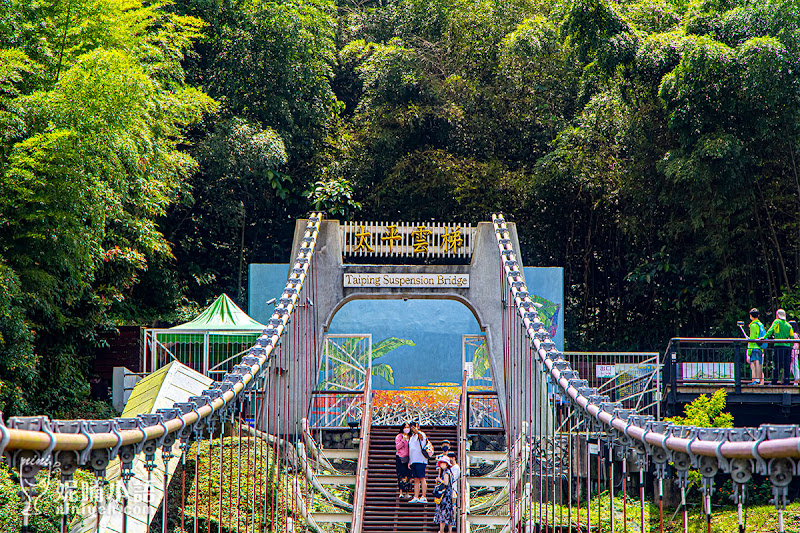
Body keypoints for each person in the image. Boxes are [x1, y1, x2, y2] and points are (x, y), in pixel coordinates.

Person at [763, 309, 795, 385]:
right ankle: (786, 381)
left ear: (777, 315)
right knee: (786, 365)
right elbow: (792, 337)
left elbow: (770, 330)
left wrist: (764, 337)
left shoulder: (777, 322)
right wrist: (790, 346)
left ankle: (774, 381)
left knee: (777, 364)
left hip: (778, 346)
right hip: (787, 347)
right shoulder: (788, 325)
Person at [408, 421, 431, 503]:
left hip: (420, 460)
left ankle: (424, 496)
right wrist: (409, 461)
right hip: (413, 460)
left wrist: (417, 431)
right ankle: (416, 496)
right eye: (412, 426)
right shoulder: (411, 437)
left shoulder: (421, 434)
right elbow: (411, 450)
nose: (413, 428)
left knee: (422, 478)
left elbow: (422, 438)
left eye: (415, 426)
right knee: (416, 479)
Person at [433, 457, 456, 533]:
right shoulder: (450, 472)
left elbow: (445, 483)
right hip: (449, 494)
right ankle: (449, 530)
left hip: (445, 495)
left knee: (443, 512)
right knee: (449, 512)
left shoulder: (446, 472)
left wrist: (440, 480)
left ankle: (442, 530)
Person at [746, 308, 766, 385]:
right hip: (760, 348)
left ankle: (755, 382)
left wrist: (749, 351)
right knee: (760, 365)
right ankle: (761, 382)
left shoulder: (753, 325)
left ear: (751, 316)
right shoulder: (761, 324)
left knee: (754, 365)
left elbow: (752, 339)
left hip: (754, 347)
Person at [395, 422, 412, 499]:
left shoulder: (411, 437)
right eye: (405, 427)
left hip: (409, 458)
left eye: (408, 427)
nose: (407, 429)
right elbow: (397, 447)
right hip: (400, 457)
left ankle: (407, 492)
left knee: (408, 476)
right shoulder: (399, 437)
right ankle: (401, 492)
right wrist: (403, 441)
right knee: (401, 475)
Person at [790, 321, 800, 386]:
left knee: (794, 366)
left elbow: (793, 345)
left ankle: (796, 379)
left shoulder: (793, 335)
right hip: (796, 352)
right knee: (794, 366)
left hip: (793, 352)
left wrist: (792, 354)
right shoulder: (797, 335)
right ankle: (796, 379)